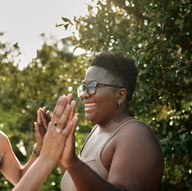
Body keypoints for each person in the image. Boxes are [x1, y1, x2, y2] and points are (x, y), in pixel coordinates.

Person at [57, 52, 164, 190]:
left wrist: (73, 163)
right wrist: (58, 154)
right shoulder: (96, 131)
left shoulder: (135, 135)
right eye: (84, 87)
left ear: (120, 95)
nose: (84, 95)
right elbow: (76, 181)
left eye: (93, 86)